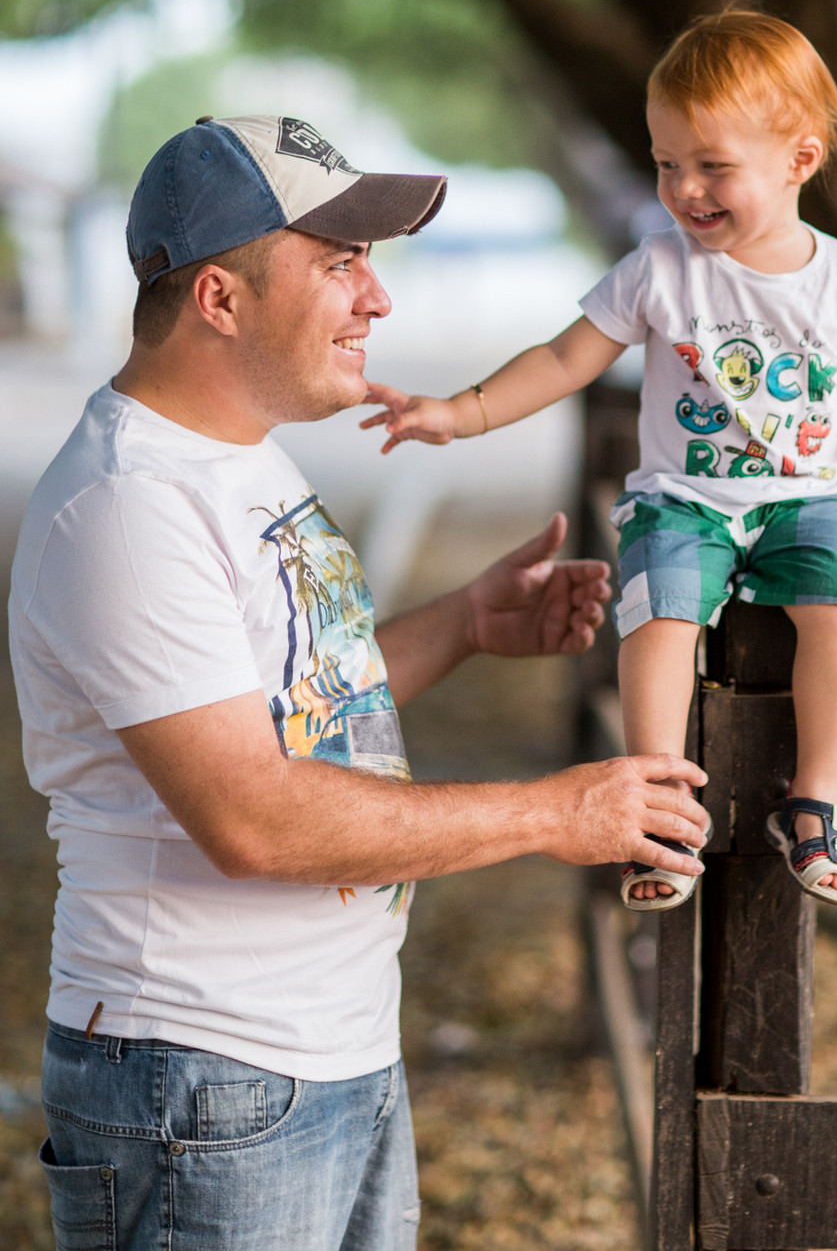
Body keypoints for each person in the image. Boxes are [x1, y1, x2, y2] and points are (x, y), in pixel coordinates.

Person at [8, 112, 709, 1251]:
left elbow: (289, 698)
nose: (376, 300)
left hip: (327, 1048)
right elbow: (253, 817)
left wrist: (467, 622)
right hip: (200, 1082)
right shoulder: (127, 506)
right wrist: (556, 813)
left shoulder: (236, 450)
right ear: (219, 300)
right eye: (338, 264)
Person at [361, 12, 837, 912]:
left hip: (811, 499)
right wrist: (459, 414)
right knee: (659, 618)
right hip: (685, 501)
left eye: (712, 166)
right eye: (667, 164)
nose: (684, 189)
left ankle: (815, 804)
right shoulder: (660, 269)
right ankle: (658, 808)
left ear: (800, 161)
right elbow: (561, 360)